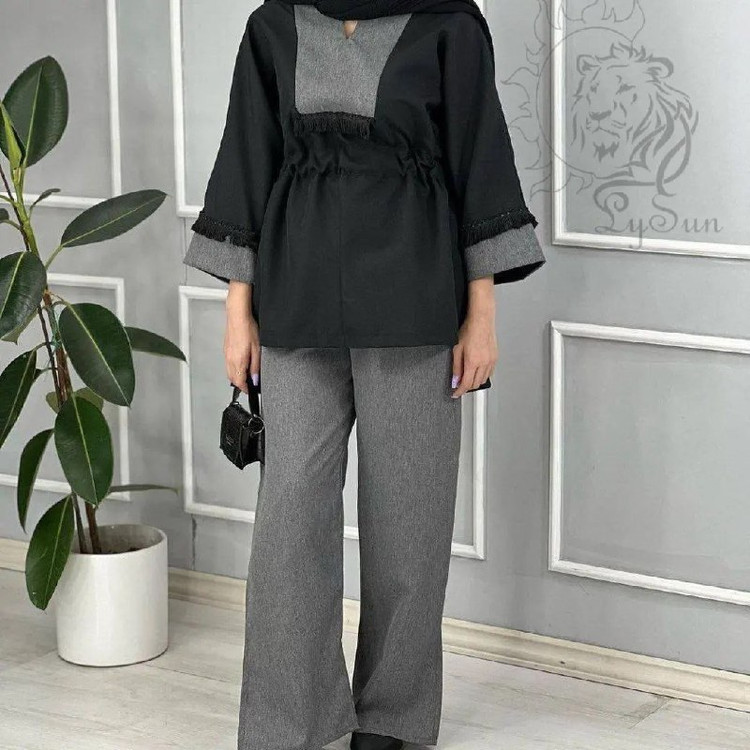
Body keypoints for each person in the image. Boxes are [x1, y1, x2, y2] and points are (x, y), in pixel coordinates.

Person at [183, 0, 546, 748]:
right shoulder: (273, 25)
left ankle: (393, 719)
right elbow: (247, 162)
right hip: (295, 303)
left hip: (415, 304)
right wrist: (237, 312)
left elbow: (478, 160)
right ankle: (290, 723)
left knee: (409, 526)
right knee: (288, 525)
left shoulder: (449, 23)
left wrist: (481, 314)